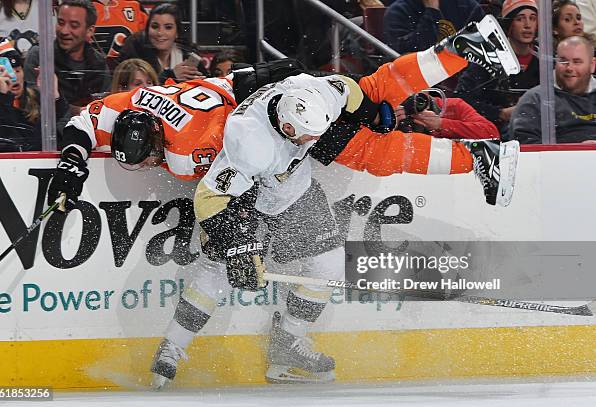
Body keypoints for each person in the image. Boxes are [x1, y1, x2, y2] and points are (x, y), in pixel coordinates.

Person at [45, 15, 520, 386]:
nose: (150, 166)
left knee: (359, 176)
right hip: (259, 142)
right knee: (221, 263)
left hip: (271, 157)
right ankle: (174, 347)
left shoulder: (198, 148)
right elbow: (88, 124)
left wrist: (368, 111)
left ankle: (287, 342)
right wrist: (71, 164)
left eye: (149, 159)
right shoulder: (139, 104)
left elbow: (212, 192)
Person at [454, 0, 539, 138]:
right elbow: (462, 98)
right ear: (509, 23)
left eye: (533, 18)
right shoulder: (488, 57)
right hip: (495, 133)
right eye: (520, 19)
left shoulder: (544, 61)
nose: (528, 25)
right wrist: (500, 113)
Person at [24, 0, 110, 113]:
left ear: (89, 31)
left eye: (74, 25)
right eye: (60, 23)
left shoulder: (99, 63)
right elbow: (33, 107)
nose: (64, 31)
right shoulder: (40, 56)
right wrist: (78, 111)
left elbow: (105, 108)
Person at [509, 35, 596, 143]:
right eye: (563, 61)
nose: (569, 68)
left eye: (577, 61)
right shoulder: (535, 99)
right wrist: (575, 151)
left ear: (592, 65)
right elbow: (525, 147)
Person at [0, 40, 68, 152]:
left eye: (18, 71)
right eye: (7, 73)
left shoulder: (35, 98)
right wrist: (2, 97)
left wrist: (53, 98)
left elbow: (47, 138)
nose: (14, 78)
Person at [111, 3, 207, 84]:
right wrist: (171, 76)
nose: (160, 33)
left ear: (177, 32)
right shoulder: (133, 50)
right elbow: (130, 89)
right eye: (155, 26)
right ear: (147, 29)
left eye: (168, 27)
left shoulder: (188, 53)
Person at [383, 0, 484, 54]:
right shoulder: (398, 11)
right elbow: (413, 54)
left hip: (463, 78)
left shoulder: (466, 5)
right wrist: (432, 10)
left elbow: (485, 45)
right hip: (423, 83)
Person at [392, 92, 500, 139]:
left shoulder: (453, 106)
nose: (411, 93)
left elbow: (491, 134)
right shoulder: (388, 109)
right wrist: (388, 126)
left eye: (418, 84)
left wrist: (442, 124)